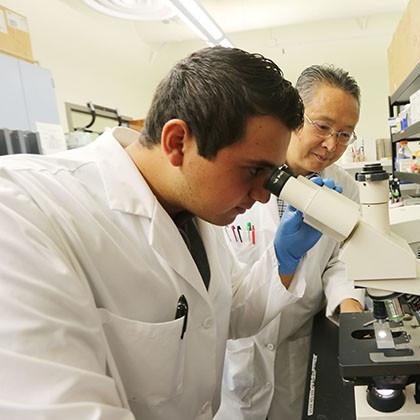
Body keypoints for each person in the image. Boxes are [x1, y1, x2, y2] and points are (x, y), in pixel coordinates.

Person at [0, 47, 337, 420]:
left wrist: (282, 259)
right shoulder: (22, 211)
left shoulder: (193, 205)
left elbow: (229, 312)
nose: (262, 195)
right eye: (253, 170)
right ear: (178, 142)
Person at [216, 64, 365, 420]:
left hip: (298, 343)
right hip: (239, 347)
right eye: (324, 126)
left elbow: (341, 259)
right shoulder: (244, 176)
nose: (332, 145)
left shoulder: (345, 187)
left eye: (345, 134)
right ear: (296, 116)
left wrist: (349, 307)